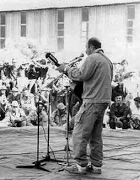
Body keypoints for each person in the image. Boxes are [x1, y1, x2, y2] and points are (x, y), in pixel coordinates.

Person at [56, 37, 113, 174]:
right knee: (95, 135)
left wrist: (66, 69)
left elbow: (81, 75)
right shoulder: (107, 60)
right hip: (103, 101)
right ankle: (96, 165)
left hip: (92, 101)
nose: (85, 51)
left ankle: (80, 165)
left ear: (92, 48)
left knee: (79, 133)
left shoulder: (93, 58)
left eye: (86, 48)